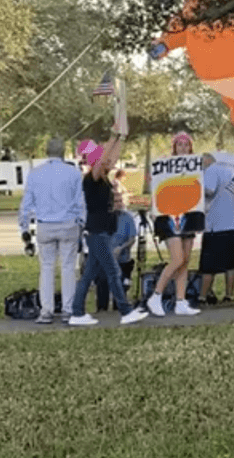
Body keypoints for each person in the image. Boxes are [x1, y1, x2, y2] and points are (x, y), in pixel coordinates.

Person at [68, 135, 150, 326]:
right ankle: (125, 310)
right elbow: (103, 160)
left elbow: (110, 159)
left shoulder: (103, 178)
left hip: (100, 232)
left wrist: (121, 137)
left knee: (88, 275)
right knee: (113, 272)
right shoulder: (92, 178)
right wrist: (113, 136)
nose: (109, 162)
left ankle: (77, 312)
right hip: (98, 233)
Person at [18, 137, 85, 324]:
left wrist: (24, 227)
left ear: (46, 152)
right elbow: (80, 203)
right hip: (68, 224)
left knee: (46, 268)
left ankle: (46, 311)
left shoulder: (35, 173)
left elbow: (26, 205)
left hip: (45, 224)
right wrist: (82, 223)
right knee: (68, 267)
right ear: (63, 152)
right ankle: (68, 309)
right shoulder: (73, 173)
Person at [146, 133, 205, 317]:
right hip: (169, 216)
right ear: (174, 147)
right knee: (177, 259)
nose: (182, 147)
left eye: (185, 144)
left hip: (189, 213)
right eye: (179, 144)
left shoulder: (195, 167)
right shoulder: (165, 165)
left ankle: (181, 301)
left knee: (185, 261)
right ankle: (156, 295)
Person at [198, 152, 234, 305]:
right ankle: (229, 295)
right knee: (230, 264)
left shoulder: (211, 170)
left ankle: (203, 297)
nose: (200, 166)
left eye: (201, 162)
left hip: (215, 226)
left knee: (208, 266)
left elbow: (209, 190)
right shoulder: (233, 173)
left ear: (208, 160)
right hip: (232, 225)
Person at [98, 191, 138, 312]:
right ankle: (102, 310)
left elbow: (132, 238)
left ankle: (118, 308)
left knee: (121, 285)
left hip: (122, 258)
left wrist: (121, 248)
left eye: (120, 201)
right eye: (116, 201)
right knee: (102, 283)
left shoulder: (127, 218)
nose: (119, 204)